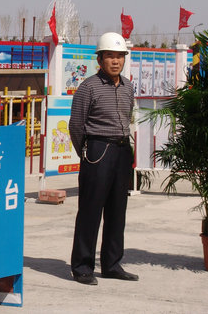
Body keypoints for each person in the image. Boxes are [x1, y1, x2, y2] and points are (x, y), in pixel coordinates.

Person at [69, 32, 138, 285]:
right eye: (110, 56)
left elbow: (128, 117)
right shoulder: (88, 87)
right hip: (98, 150)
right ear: (99, 59)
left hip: (122, 150)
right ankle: (82, 267)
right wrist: (87, 153)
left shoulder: (128, 86)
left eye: (120, 56)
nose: (115, 61)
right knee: (90, 210)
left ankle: (111, 264)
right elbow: (76, 125)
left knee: (117, 211)